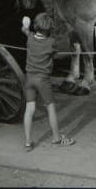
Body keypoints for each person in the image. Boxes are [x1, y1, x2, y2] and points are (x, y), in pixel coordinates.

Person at [21, 12, 75, 151]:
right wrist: (74, 53)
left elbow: (25, 30)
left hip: (29, 79)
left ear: (36, 26)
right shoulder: (51, 43)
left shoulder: (30, 38)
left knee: (29, 110)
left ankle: (27, 142)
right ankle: (57, 139)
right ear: (49, 29)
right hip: (42, 81)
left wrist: (25, 25)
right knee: (51, 109)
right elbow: (58, 55)